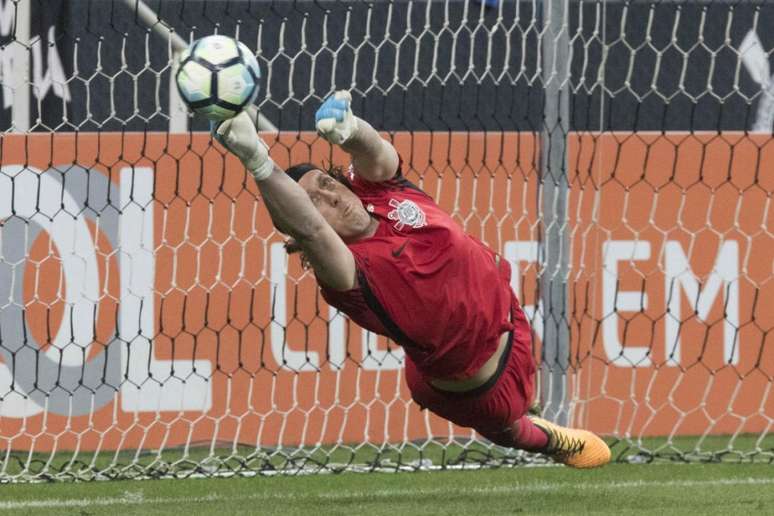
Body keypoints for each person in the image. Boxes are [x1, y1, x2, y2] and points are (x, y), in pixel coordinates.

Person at [214, 92, 611, 468]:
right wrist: (258, 163)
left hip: (511, 316)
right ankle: (551, 440)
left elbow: (378, 155)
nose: (330, 197)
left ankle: (532, 419)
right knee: (512, 429)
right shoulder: (346, 271)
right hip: (483, 388)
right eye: (314, 201)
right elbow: (311, 232)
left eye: (327, 183)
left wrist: (350, 129)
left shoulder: (379, 191)